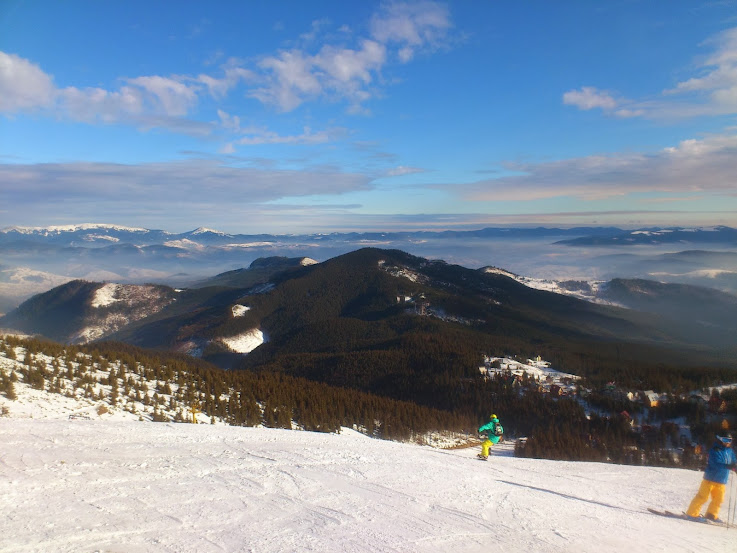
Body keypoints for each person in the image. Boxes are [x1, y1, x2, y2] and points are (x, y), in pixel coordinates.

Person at [686, 433, 737, 522]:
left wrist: (735, 467)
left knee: (718, 499)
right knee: (702, 497)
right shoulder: (715, 450)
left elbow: (734, 461)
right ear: (720, 439)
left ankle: (711, 515)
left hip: (722, 480)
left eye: (730, 440)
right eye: (725, 440)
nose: (728, 443)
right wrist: (729, 466)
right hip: (710, 479)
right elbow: (716, 463)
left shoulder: (730, 451)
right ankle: (692, 514)